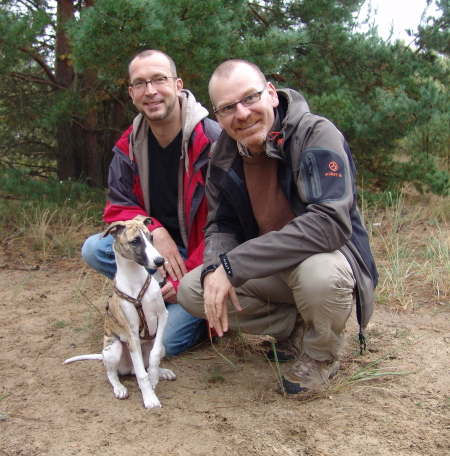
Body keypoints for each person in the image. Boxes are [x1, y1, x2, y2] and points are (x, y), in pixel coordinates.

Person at [178, 59, 378, 395]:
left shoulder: (315, 133)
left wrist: (234, 265)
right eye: (228, 107)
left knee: (319, 276)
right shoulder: (222, 155)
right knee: (193, 290)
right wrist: (216, 266)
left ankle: (322, 355)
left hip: (328, 259)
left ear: (271, 94)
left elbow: (330, 223)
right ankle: (295, 327)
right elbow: (220, 225)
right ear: (217, 116)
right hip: (271, 268)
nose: (241, 114)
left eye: (250, 98)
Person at [81, 50, 221, 356]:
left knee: (164, 344)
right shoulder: (128, 146)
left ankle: (195, 301)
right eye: (140, 83)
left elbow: (228, 223)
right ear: (131, 94)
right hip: (154, 251)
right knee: (94, 249)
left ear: (178, 84)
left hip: (201, 255)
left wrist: (187, 273)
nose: (151, 91)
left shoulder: (213, 142)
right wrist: (155, 230)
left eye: (159, 79)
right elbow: (118, 205)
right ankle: (156, 292)